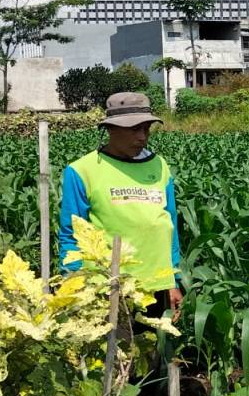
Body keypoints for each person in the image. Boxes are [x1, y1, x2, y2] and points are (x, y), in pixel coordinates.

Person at [59, 92, 182, 321]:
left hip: (157, 285)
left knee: (155, 352)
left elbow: (170, 224)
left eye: (146, 128)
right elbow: (71, 234)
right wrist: (73, 283)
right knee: (115, 353)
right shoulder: (82, 171)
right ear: (111, 129)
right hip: (109, 287)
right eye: (134, 129)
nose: (142, 136)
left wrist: (173, 280)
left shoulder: (159, 165)